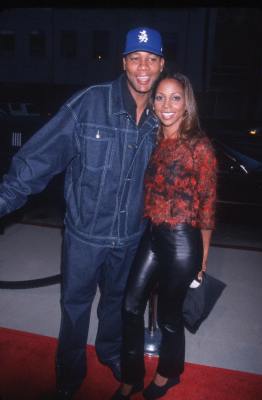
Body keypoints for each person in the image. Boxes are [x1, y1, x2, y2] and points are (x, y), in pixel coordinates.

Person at [0, 27, 165, 399]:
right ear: (123, 63)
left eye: (151, 59)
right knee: (74, 310)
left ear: (161, 65)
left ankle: (110, 353)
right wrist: (4, 200)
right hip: (84, 237)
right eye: (136, 58)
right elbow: (37, 161)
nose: (143, 67)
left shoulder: (162, 115)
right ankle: (69, 377)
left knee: (118, 306)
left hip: (130, 237)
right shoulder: (89, 104)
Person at [111, 72, 217, 400]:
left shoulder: (200, 146)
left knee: (170, 316)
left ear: (187, 104)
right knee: (130, 306)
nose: (166, 104)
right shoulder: (156, 139)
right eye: (160, 97)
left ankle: (169, 373)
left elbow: (208, 209)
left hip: (183, 242)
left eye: (175, 97)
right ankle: (132, 376)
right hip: (153, 233)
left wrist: (202, 260)